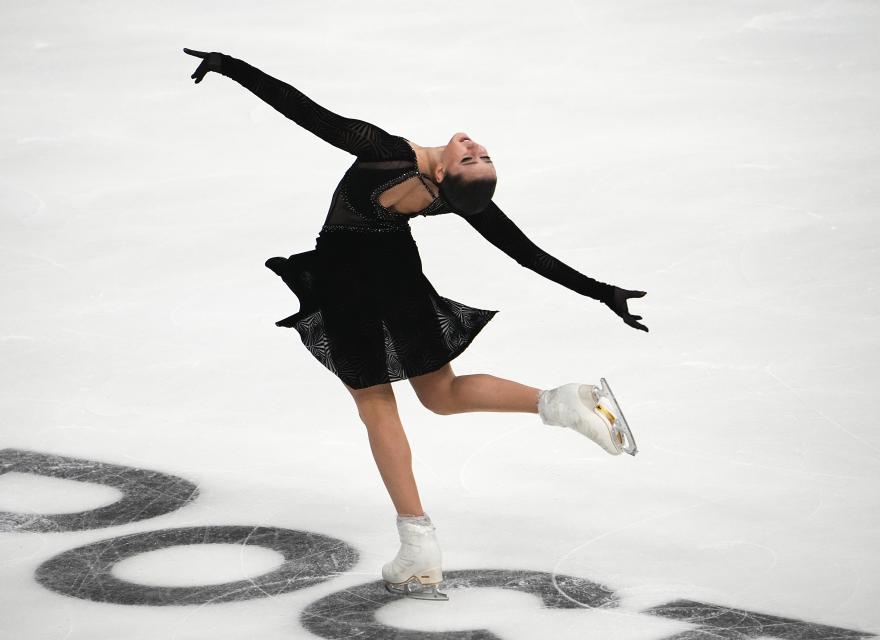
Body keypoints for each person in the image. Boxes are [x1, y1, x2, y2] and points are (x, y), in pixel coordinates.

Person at [183, 48, 648, 600]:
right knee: (441, 393)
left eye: (473, 159)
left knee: (375, 402)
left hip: (348, 282)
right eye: (481, 156)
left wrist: (231, 65)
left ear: (447, 173)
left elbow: (307, 113)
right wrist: (602, 293)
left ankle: (418, 545)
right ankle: (563, 401)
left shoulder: (384, 152)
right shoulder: (452, 200)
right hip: (401, 280)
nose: (475, 148)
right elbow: (525, 253)